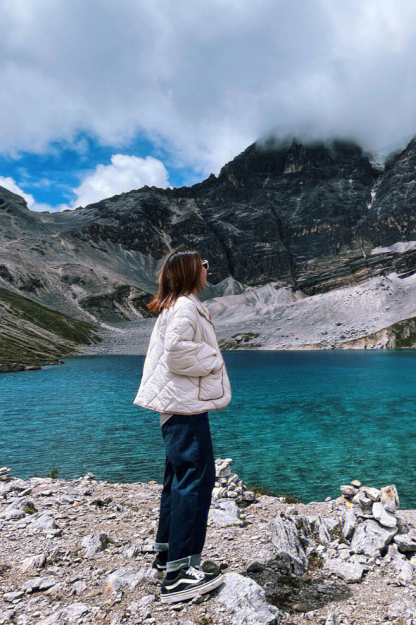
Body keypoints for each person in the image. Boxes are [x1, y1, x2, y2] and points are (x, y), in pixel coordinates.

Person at [133, 246, 232, 603]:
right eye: (203, 265)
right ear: (192, 271)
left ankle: (166, 554)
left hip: (175, 407)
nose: (208, 269)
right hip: (185, 408)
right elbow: (177, 351)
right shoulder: (187, 307)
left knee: (177, 478)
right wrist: (212, 357)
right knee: (196, 478)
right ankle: (179, 574)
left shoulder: (174, 305)